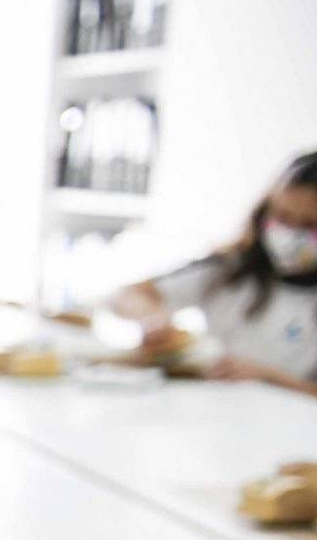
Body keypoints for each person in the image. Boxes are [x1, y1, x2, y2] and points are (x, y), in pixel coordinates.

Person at [110, 150, 317, 396]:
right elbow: (130, 294)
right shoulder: (229, 268)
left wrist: (269, 378)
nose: (291, 233)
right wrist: (153, 320)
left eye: (309, 224)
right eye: (282, 217)